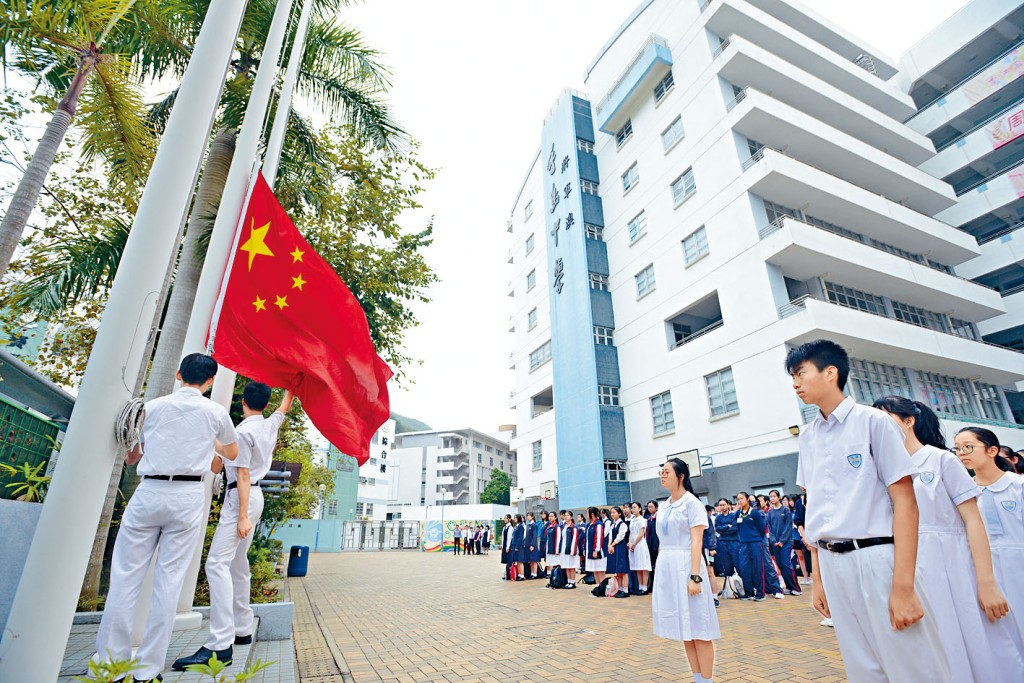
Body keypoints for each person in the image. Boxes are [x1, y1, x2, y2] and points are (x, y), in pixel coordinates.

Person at [787, 339, 950, 682]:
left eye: (801, 373)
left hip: (876, 556)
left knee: (910, 663)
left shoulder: (874, 422)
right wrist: (818, 580)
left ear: (830, 373)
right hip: (833, 562)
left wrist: (903, 587)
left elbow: (906, 501)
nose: (795, 383)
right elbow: (815, 509)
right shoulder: (808, 437)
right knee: (862, 668)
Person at [96, 354, 239, 682]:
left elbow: (133, 456)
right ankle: (147, 671)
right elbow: (231, 453)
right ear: (210, 381)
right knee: (169, 582)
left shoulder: (152, 407)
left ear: (178, 374)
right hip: (187, 497)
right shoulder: (215, 413)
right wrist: (208, 440)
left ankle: (111, 668)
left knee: (125, 578)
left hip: (149, 491)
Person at [873, 399, 1019, 681]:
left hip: (952, 567)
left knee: (971, 642)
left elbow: (973, 521)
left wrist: (987, 582)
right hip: (909, 569)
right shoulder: (883, 470)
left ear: (908, 421)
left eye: (885, 418)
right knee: (931, 647)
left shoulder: (941, 459)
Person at [173, 384, 292, 671]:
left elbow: (241, 473)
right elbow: (283, 408)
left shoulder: (241, 432)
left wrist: (241, 516)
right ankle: (241, 627)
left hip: (242, 497)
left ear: (242, 402)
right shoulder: (268, 425)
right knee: (237, 564)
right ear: (264, 404)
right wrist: (292, 385)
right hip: (254, 497)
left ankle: (220, 643)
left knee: (216, 564)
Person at [955, 426, 1024, 654]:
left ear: (992, 450)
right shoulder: (964, 493)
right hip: (986, 574)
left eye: (968, 447)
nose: (962, 453)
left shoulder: (1018, 486)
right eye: (957, 449)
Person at [653, 458, 719, 683]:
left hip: (687, 565)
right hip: (668, 567)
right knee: (685, 629)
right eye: (661, 472)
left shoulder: (692, 503)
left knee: (699, 627)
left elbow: (696, 542)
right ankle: (697, 678)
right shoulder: (665, 505)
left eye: (667, 471)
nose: (662, 475)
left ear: (680, 476)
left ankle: (707, 680)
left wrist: (695, 577)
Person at [734, 492, 771, 601]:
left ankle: (760, 593)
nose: (739, 501)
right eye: (738, 499)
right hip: (743, 543)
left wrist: (755, 538)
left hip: (755, 542)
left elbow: (762, 528)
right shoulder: (737, 514)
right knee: (745, 568)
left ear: (747, 499)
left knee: (758, 567)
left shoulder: (754, 513)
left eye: (741, 498)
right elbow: (738, 528)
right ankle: (749, 592)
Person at [767, 490, 801, 596]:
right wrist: (774, 541)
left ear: (779, 497)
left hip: (786, 542)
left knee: (787, 564)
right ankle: (789, 587)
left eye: (774, 496)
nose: (772, 498)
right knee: (781, 566)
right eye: (770, 496)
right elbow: (770, 528)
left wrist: (782, 541)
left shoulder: (785, 510)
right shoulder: (770, 512)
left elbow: (788, 528)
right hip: (775, 543)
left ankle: (796, 588)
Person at [712, 499, 739, 588]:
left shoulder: (734, 515)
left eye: (724, 505)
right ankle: (730, 588)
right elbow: (718, 529)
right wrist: (727, 526)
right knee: (727, 566)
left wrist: (724, 530)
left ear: (728, 505)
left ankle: (742, 587)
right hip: (723, 543)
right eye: (720, 505)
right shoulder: (718, 518)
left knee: (738, 564)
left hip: (734, 542)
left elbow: (735, 528)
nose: (722, 507)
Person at [628, 502, 652, 595]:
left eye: (634, 507)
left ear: (639, 508)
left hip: (640, 544)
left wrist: (634, 544)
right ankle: (639, 586)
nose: (632, 509)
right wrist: (630, 543)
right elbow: (631, 532)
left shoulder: (642, 519)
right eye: (632, 507)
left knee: (643, 566)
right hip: (633, 545)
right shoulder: (632, 520)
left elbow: (641, 534)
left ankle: (644, 588)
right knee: (637, 567)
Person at [606, 506, 630, 598]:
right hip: (614, 547)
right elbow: (610, 536)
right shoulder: (613, 524)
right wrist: (609, 545)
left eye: (614, 512)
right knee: (618, 571)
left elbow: (621, 536)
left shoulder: (622, 524)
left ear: (619, 513)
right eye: (611, 512)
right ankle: (619, 589)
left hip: (620, 547)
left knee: (623, 570)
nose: (612, 514)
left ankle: (625, 590)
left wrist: (612, 545)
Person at [585, 506, 607, 587]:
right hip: (590, 550)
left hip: (598, 551)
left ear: (592, 514)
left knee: (600, 570)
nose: (586, 515)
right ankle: (598, 587)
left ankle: (603, 587)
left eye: (587, 513)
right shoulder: (589, 525)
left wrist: (596, 550)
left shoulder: (598, 524)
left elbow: (598, 538)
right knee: (595, 570)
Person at [701, 505, 718, 607]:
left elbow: (711, 533)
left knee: (710, 572)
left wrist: (712, 548)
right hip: (692, 549)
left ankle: (714, 597)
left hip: (705, 548)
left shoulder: (704, 516)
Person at [560, 510, 579, 589]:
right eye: (565, 515)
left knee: (572, 566)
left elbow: (575, 539)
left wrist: (573, 550)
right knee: (566, 565)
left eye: (568, 515)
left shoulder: (573, 527)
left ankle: (572, 582)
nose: (566, 517)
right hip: (564, 547)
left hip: (571, 547)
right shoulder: (564, 526)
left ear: (571, 517)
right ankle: (568, 581)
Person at [543, 512, 561, 587]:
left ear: (555, 517)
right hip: (548, 547)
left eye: (552, 516)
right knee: (550, 564)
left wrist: (557, 549)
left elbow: (558, 539)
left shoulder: (557, 527)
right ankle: (552, 580)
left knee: (555, 564)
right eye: (549, 516)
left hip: (554, 548)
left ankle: (557, 580)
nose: (550, 518)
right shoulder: (548, 526)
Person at [646, 500, 660, 593]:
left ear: (656, 507)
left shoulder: (659, 518)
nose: (649, 508)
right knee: (651, 565)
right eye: (648, 507)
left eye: (651, 506)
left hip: (657, 543)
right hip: (650, 544)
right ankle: (651, 584)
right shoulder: (649, 519)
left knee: (657, 565)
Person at [524, 512, 540, 579]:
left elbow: (534, 536)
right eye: (527, 516)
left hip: (532, 545)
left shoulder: (534, 525)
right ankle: (532, 573)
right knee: (530, 560)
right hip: (527, 545)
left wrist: (532, 545)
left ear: (533, 517)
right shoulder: (528, 525)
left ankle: (535, 574)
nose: (528, 517)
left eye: (529, 516)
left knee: (534, 560)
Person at [511, 514, 526, 581]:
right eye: (514, 518)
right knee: (517, 561)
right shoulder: (516, 526)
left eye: (516, 518)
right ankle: (519, 574)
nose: (514, 519)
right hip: (514, 545)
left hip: (519, 546)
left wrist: (517, 546)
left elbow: (520, 538)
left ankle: (522, 575)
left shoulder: (520, 527)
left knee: (520, 561)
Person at [500, 514, 513, 579]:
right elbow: (503, 537)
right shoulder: (504, 527)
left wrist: (507, 547)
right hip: (505, 545)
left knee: (509, 560)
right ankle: (507, 574)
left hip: (508, 546)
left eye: (506, 518)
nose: (504, 519)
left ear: (509, 519)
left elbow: (509, 538)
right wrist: (503, 546)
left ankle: (509, 574)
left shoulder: (510, 527)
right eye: (504, 518)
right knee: (506, 560)